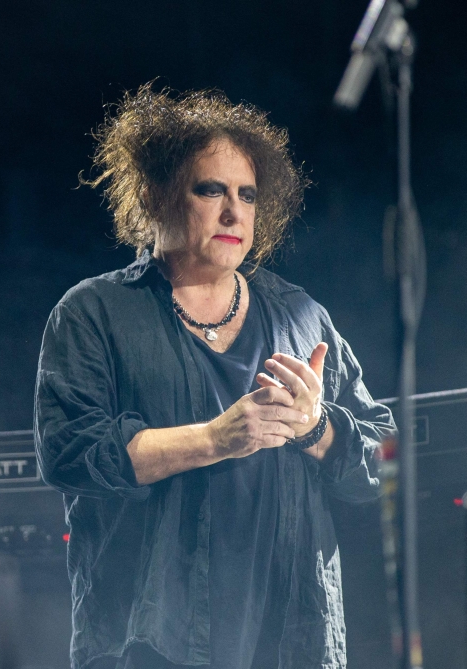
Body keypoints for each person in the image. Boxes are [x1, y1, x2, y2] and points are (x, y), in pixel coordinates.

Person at [34, 84, 394, 669]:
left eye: (247, 195)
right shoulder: (93, 312)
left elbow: (388, 463)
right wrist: (214, 439)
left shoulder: (303, 316)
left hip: (291, 642)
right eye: (212, 190)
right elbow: (70, 452)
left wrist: (317, 429)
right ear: (157, 196)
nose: (234, 212)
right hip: (148, 646)